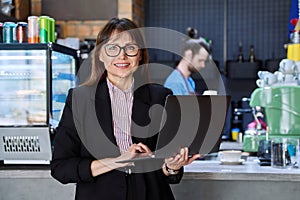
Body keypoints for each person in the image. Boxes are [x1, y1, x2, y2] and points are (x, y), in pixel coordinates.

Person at [50, 17, 200, 200]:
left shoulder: (160, 97)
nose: (122, 56)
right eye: (112, 48)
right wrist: (116, 161)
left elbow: (166, 169)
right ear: (100, 55)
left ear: (140, 55)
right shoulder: (79, 100)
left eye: (130, 48)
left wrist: (172, 166)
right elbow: (61, 168)